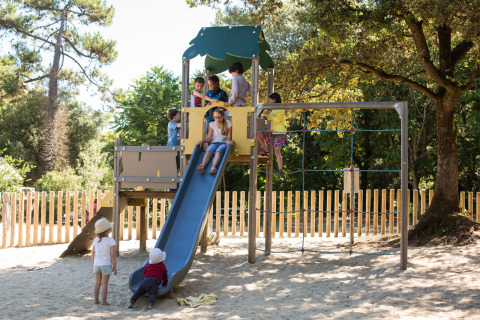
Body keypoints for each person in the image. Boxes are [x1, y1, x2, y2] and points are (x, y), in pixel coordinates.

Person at [257, 92, 288, 178]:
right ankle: (266, 151)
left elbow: (277, 120)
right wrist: (265, 112)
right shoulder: (274, 108)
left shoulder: (280, 108)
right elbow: (271, 117)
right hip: (273, 131)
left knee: (277, 151)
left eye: (270, 99)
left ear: (274, 100)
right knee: (258, 134)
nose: (269, 101)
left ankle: (281, 170)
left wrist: (268, 114)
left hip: (280, 132)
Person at [195, 108, 233, 175]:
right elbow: (209, 138)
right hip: (214, 143)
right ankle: (202, 167)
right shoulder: (212, 124)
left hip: (223, 143)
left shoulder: (228, 124)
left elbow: (229, 137)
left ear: (223, 116)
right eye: (215, 117)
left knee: (218, 151)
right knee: (208, 151)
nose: (217, 119)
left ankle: (213, 167)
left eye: (219, 117)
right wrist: (202, 140)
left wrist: (228, 141)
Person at [91, 218, 117, 305]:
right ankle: (104, 301)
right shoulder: (111, 241)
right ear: (108, 229)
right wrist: (115, 267)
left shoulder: (95, 240)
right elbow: (113, 255)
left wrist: (93, 264)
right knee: (104, 284)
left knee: (97, 283)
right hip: (106, 264)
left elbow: (93, 254)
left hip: (97, 264)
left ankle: (96, 300)